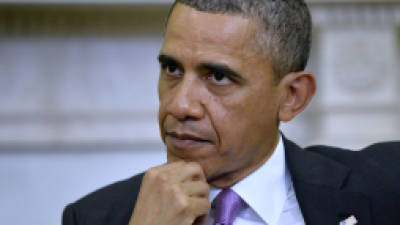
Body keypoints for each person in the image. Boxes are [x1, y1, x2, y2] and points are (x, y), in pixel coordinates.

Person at [63, 1, 400, 225]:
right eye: (172, 69)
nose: (180, 105)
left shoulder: (385, 187)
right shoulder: (95, 217)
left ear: (292, 97)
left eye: (219, 77)